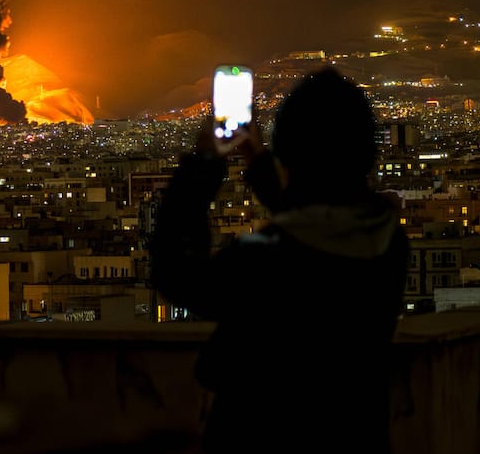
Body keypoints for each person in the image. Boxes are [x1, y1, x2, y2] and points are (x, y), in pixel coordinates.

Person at [149, 67, 409, 453]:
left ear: (290, 157)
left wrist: (205, 163)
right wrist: (258, 162)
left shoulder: (264, 260)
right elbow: (318, 220)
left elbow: (175, 273)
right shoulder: (388, 242)